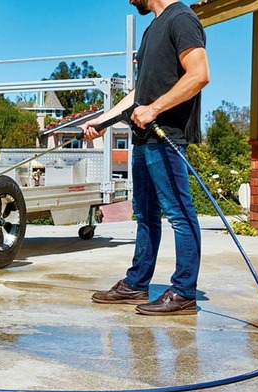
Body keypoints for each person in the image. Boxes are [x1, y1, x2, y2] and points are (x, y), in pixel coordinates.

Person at [80, 0, 210, 315]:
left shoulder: (182, 19)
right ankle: (137, 284)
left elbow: (199, 74)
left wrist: (155, 109)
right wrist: (102, 121)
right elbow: (139, 93)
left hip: (167, 137)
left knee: (179, 214)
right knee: (146, 216)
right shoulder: (153, 28)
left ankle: (184, 292)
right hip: (144, 140)